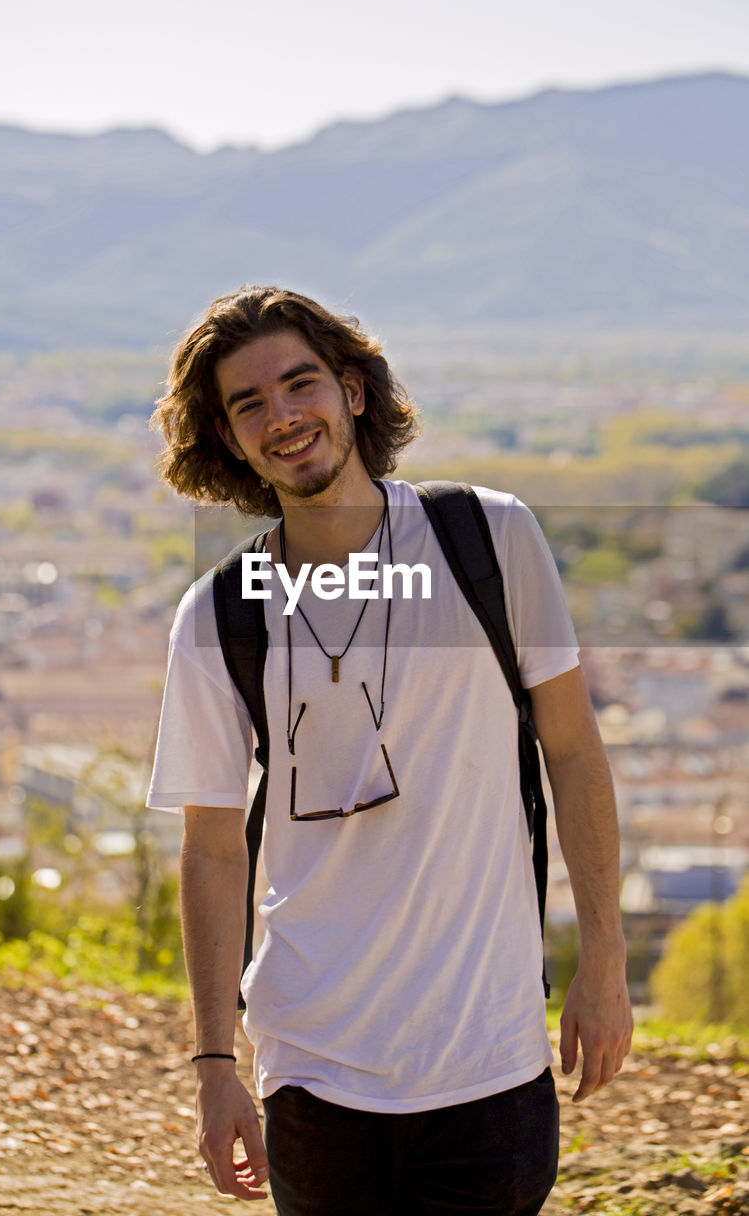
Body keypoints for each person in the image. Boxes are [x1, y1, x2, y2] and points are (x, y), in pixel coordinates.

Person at [146, 285, 633, 1215]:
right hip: (312, 1068)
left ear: (354, 392)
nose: (283, 417)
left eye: (301, 384)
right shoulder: (217, 617)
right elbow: (211, 849)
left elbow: (572, 754)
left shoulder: (488, 538)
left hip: (488, 1056)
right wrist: (215, 1064)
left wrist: (602, 961)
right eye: (249, 405)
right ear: (228, 438)